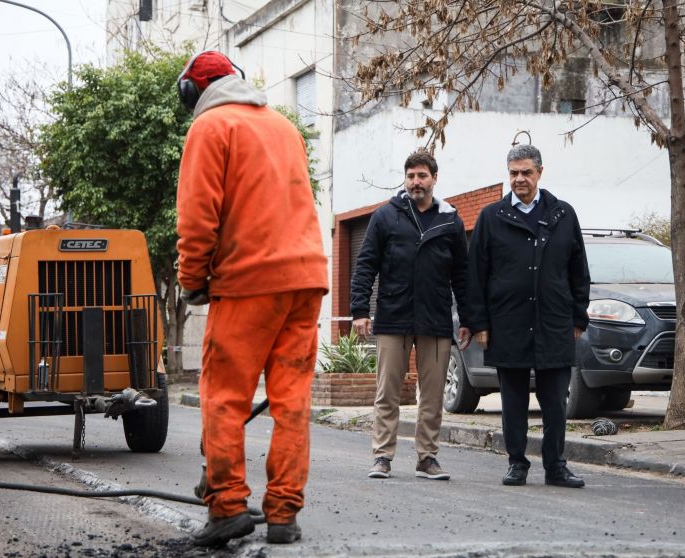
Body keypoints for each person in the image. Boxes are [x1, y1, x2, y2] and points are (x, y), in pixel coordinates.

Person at [175, 50, 328, 546]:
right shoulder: (284, 127)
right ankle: (283, 514)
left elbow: (198, 217)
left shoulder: (210, 127)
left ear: (191, 93)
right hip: (305, 280)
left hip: (248, 283)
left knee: (223, 397)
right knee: (292, 402)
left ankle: (227, 508)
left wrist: (193, 277)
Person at [465, 144, 591, 489]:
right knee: (514, 401)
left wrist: (578, 318)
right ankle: (516, 463)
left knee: (554, 402)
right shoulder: (491, 217)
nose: (519, 179)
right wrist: (479, 324)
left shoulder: (564, 215)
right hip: (508, 322)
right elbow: (475, 275)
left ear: (539, 172)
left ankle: (556, 466)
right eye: (513, 173)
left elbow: (578, 271)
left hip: (554, 322)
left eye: (526, 172)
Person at [350, 150, 470, 482]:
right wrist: (360, 310)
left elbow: (462, 275)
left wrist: (470, 320)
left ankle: (427, 457)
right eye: (411, 176)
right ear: (405, 179)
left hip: (435, 319)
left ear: (434, 178)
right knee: (387, 392)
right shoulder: (385, 216)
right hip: (393, 316)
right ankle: (382, 456)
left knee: (431, 395)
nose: (416, 182)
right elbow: (365, 265)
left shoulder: (450, 220)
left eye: (422, 176)